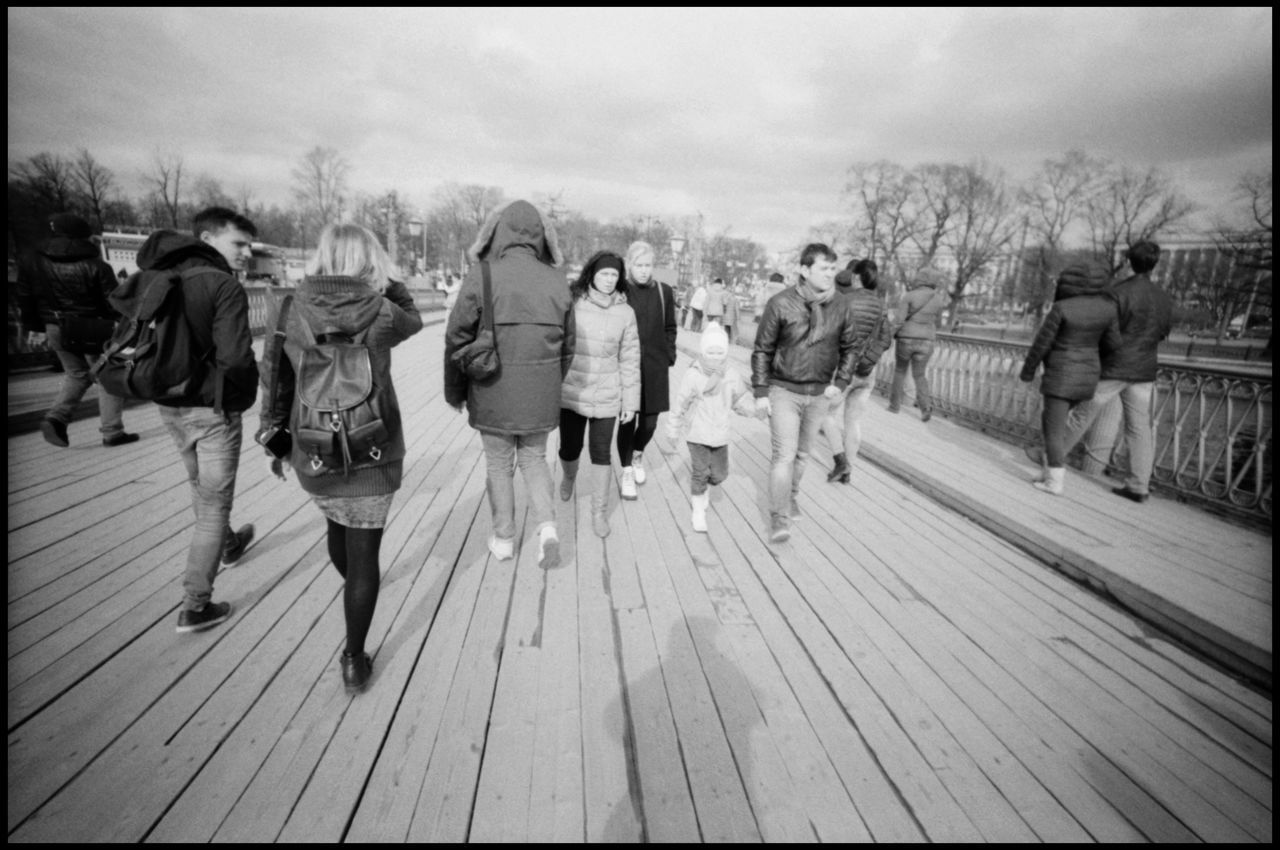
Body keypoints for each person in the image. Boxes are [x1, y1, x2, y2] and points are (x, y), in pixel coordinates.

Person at [261, 223, 422, 693]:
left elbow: (273, 377)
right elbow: (412, 319)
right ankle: (353, 659)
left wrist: (273, 438)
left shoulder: (288, 307)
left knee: (336, 527)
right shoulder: (383, 310)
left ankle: (357, 587)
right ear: (369, 261)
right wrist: (388, 279)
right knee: (365, 552)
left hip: (312, 446)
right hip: (373, 445)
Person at [118, 207, 261, 634]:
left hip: (168, 403)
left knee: (201, 485)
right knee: (214, 503)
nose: (248, 253)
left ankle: (231, 545)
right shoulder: (221, 285)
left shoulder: (155, 278)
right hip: (211, 408)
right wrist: (242, 397)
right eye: (239, 243)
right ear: (206, 238)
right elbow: (235, 357)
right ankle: (195, 606)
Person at [445, 200, 574, 567]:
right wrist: (549, 382)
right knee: (534, 460)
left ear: (497, 232)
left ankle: (504, 539)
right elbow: (570, 346)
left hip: (491, 392)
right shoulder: (556, 280)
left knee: (499, 466)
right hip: (540, 394)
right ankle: (547, 527)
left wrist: (455, 391)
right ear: (540, 236)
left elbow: (456, 339)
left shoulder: (482, 274)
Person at [1027, 241, 1174, 503]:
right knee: (1140, 428)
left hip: (1114, 367)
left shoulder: (1117, 293)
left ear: (1129, 261)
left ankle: (1049, 457)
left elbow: (1104, 331)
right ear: (1155, 264)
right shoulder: (1164, 297)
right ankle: (1139, 485)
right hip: (1144, 370)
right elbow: (1163, 332)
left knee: (1080, 416)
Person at [752, 243, 859, 543]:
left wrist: (840, 383)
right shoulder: (780, 303)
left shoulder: (841, 305)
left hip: (820, 394)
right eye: (824, 268)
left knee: (802, 455)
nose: (830, 274)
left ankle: (791, 496)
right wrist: (761, 391)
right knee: (784, 456)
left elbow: (851, 347)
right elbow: (762, 350)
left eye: (832, 269)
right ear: (804, 270)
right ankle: (779, 518)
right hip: (784, 390)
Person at [16, 213, 139, 448]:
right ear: (84, 237)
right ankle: (112, 431)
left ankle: (56, 418)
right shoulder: (97, 265)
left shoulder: (32, 262)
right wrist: (125, 328)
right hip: (94, 328)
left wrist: (35, 328)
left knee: (76, 373)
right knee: (107, 375)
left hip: (55, 326)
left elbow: (25, 297)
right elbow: (113, 302)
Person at [1019, 260, 1123, 495]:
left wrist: (1028, 371)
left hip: (1060, 377)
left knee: (1052, 431)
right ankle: (1047, 472)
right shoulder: (1107, 309)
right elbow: (1114, 344)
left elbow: (1041, 345)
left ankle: (1054, 481)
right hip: (1088, 379)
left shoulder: (1062, 308)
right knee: (1061, 426)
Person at [558, 250, 640, 538]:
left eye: (614, 275)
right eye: (604, 273)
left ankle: (599, 512)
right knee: (569, 448)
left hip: (608, 394)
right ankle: (569, 476)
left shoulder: (626, 312)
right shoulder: (573, 302)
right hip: (573, 390)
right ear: (592, 274)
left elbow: (630, 360)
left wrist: (631, 401)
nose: (608, 279)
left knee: (601, 453)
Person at [667, 323, 756, 533]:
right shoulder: (694, 374)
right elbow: (680, 403)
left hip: (720, 434)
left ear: (725, 353)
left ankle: (705, 487)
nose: (715, 357)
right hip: (697, 433)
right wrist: (673, 428)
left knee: (719, 475)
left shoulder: (731, 374)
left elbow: (740, 398)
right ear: (703, 351)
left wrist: (754, 409)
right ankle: (698, 509)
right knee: (699, 472)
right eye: (711, 352)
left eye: (719, 352)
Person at [615, 240, 676, 500]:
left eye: (648, 265)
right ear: (629, 264)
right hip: (627, 369)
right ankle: (627, 468)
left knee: (650, 425)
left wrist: (668, 355)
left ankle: (637, 455)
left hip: (655, 368)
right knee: (628, 421)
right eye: (638, 265)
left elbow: (671, 327)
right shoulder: (621, 292)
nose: (643, 270)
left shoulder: (664, 291)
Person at [822, 259, 892, 484]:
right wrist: (869, 360)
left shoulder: (845, 301)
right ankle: (848, 470)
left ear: (857, 277)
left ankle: (840, 460)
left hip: (844, 370)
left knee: (826, 414)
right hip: (867, 374)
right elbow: (886, 338)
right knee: (853, 422)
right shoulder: (881, 305)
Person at [888, 266, 950, 421]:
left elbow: (899, 320)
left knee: (900, 371)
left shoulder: (909, 296)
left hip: (906, 338)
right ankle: (925, 408)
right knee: (920, 375)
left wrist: (889, 334)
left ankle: (894, 406)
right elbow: (940, 324)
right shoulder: (938, 299)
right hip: (927, 341)